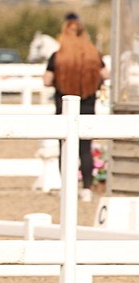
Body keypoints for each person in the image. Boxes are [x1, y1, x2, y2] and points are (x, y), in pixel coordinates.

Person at [43, 13, 108, 201]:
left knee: (65, 147)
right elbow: (106, 74)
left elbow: (47, 80)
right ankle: (87, 188)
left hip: (63, 106)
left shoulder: (58, 57)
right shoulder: (94, 55)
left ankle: (68, 188)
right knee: (85, 148)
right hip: (87, 104)